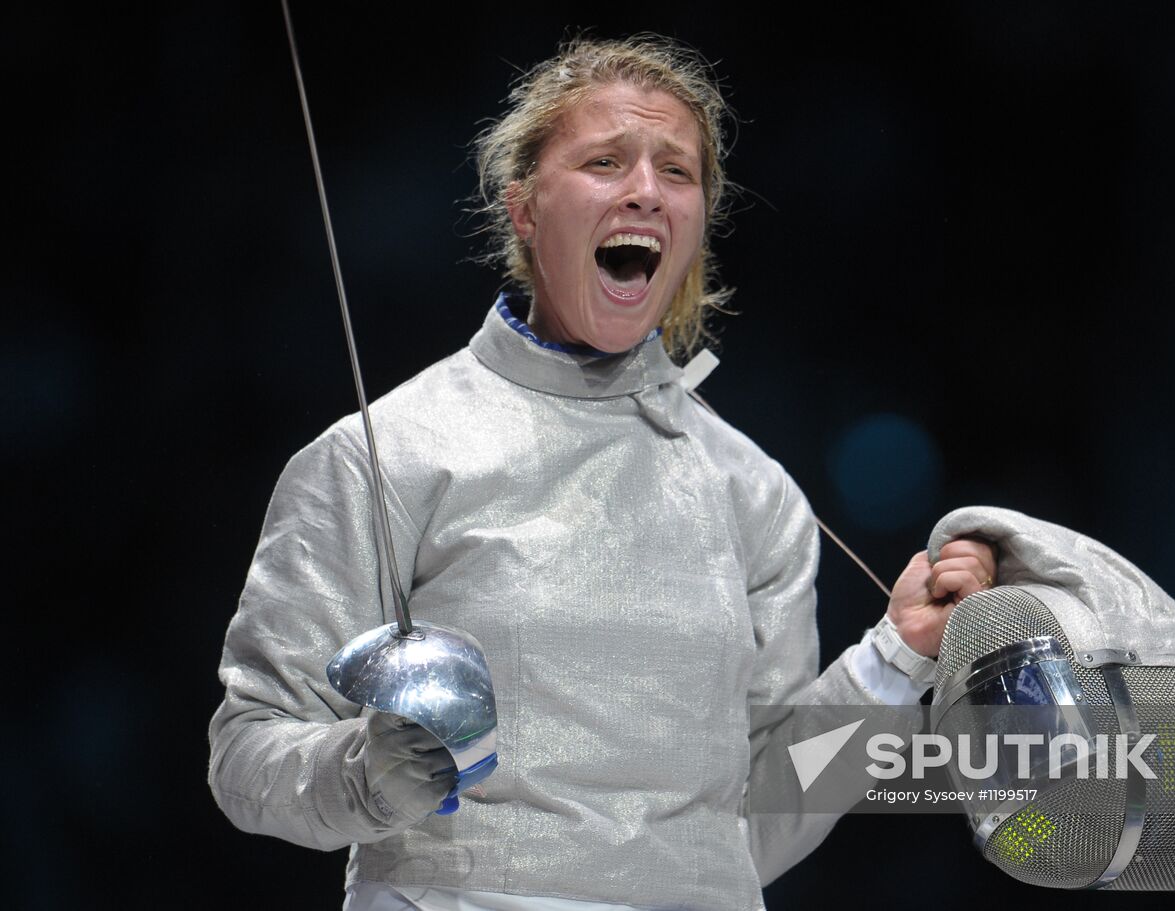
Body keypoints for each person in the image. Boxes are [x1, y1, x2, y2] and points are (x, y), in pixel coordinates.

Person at [208, 36, 996, 911]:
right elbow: (248, 750)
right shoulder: (389, 451)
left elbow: (761, 818)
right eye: (605, 162)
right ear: (524, 208)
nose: (646, 190)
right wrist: (364, 774)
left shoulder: (754, 491)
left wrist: (893, 661)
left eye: (676, 171)